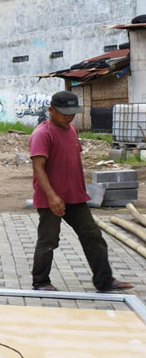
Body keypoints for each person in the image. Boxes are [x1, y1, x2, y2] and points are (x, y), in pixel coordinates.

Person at [30, 91, 134, 293]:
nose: (69, 116)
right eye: (64, 113)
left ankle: (104, 281)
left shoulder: (72, 129)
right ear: (51, 110)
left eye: (72, 112)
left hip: (75, 196)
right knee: (49, 240)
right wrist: (52, 196)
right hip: (51, 199)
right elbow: (38, 168)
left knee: (93, 236)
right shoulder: (43, 134)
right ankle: (41, 282)